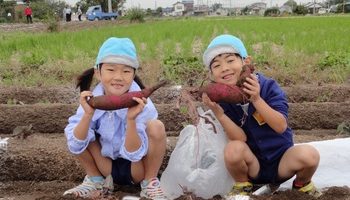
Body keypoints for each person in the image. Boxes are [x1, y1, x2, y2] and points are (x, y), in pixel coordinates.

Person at [201, 34, 321, 199]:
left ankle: (302, 184)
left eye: (230, 61)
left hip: (282, 161)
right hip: (253, 167)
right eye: (216, 65)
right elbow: (240, 138)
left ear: (246, 62)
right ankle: (243, 185)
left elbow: (280, 126)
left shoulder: (268, 87)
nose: (224, 68)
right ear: (212, 74)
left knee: (310, 155)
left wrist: (256, 99)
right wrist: (220, 114)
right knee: (232, 149)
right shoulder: (223, 99)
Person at [63, 37, 168, 199]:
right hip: (106, 167)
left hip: (136, 168)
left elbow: (135, 154)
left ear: (133, 75)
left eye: (126, 71)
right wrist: (88, 115)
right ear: (98, 73)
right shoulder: (92, 99)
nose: (118, 77)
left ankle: (150, 183)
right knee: (78, 130)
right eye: (111, 70)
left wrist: (131, 120)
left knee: (156, 126)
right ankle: (94, 179)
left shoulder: (142, 103)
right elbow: (75, 144)